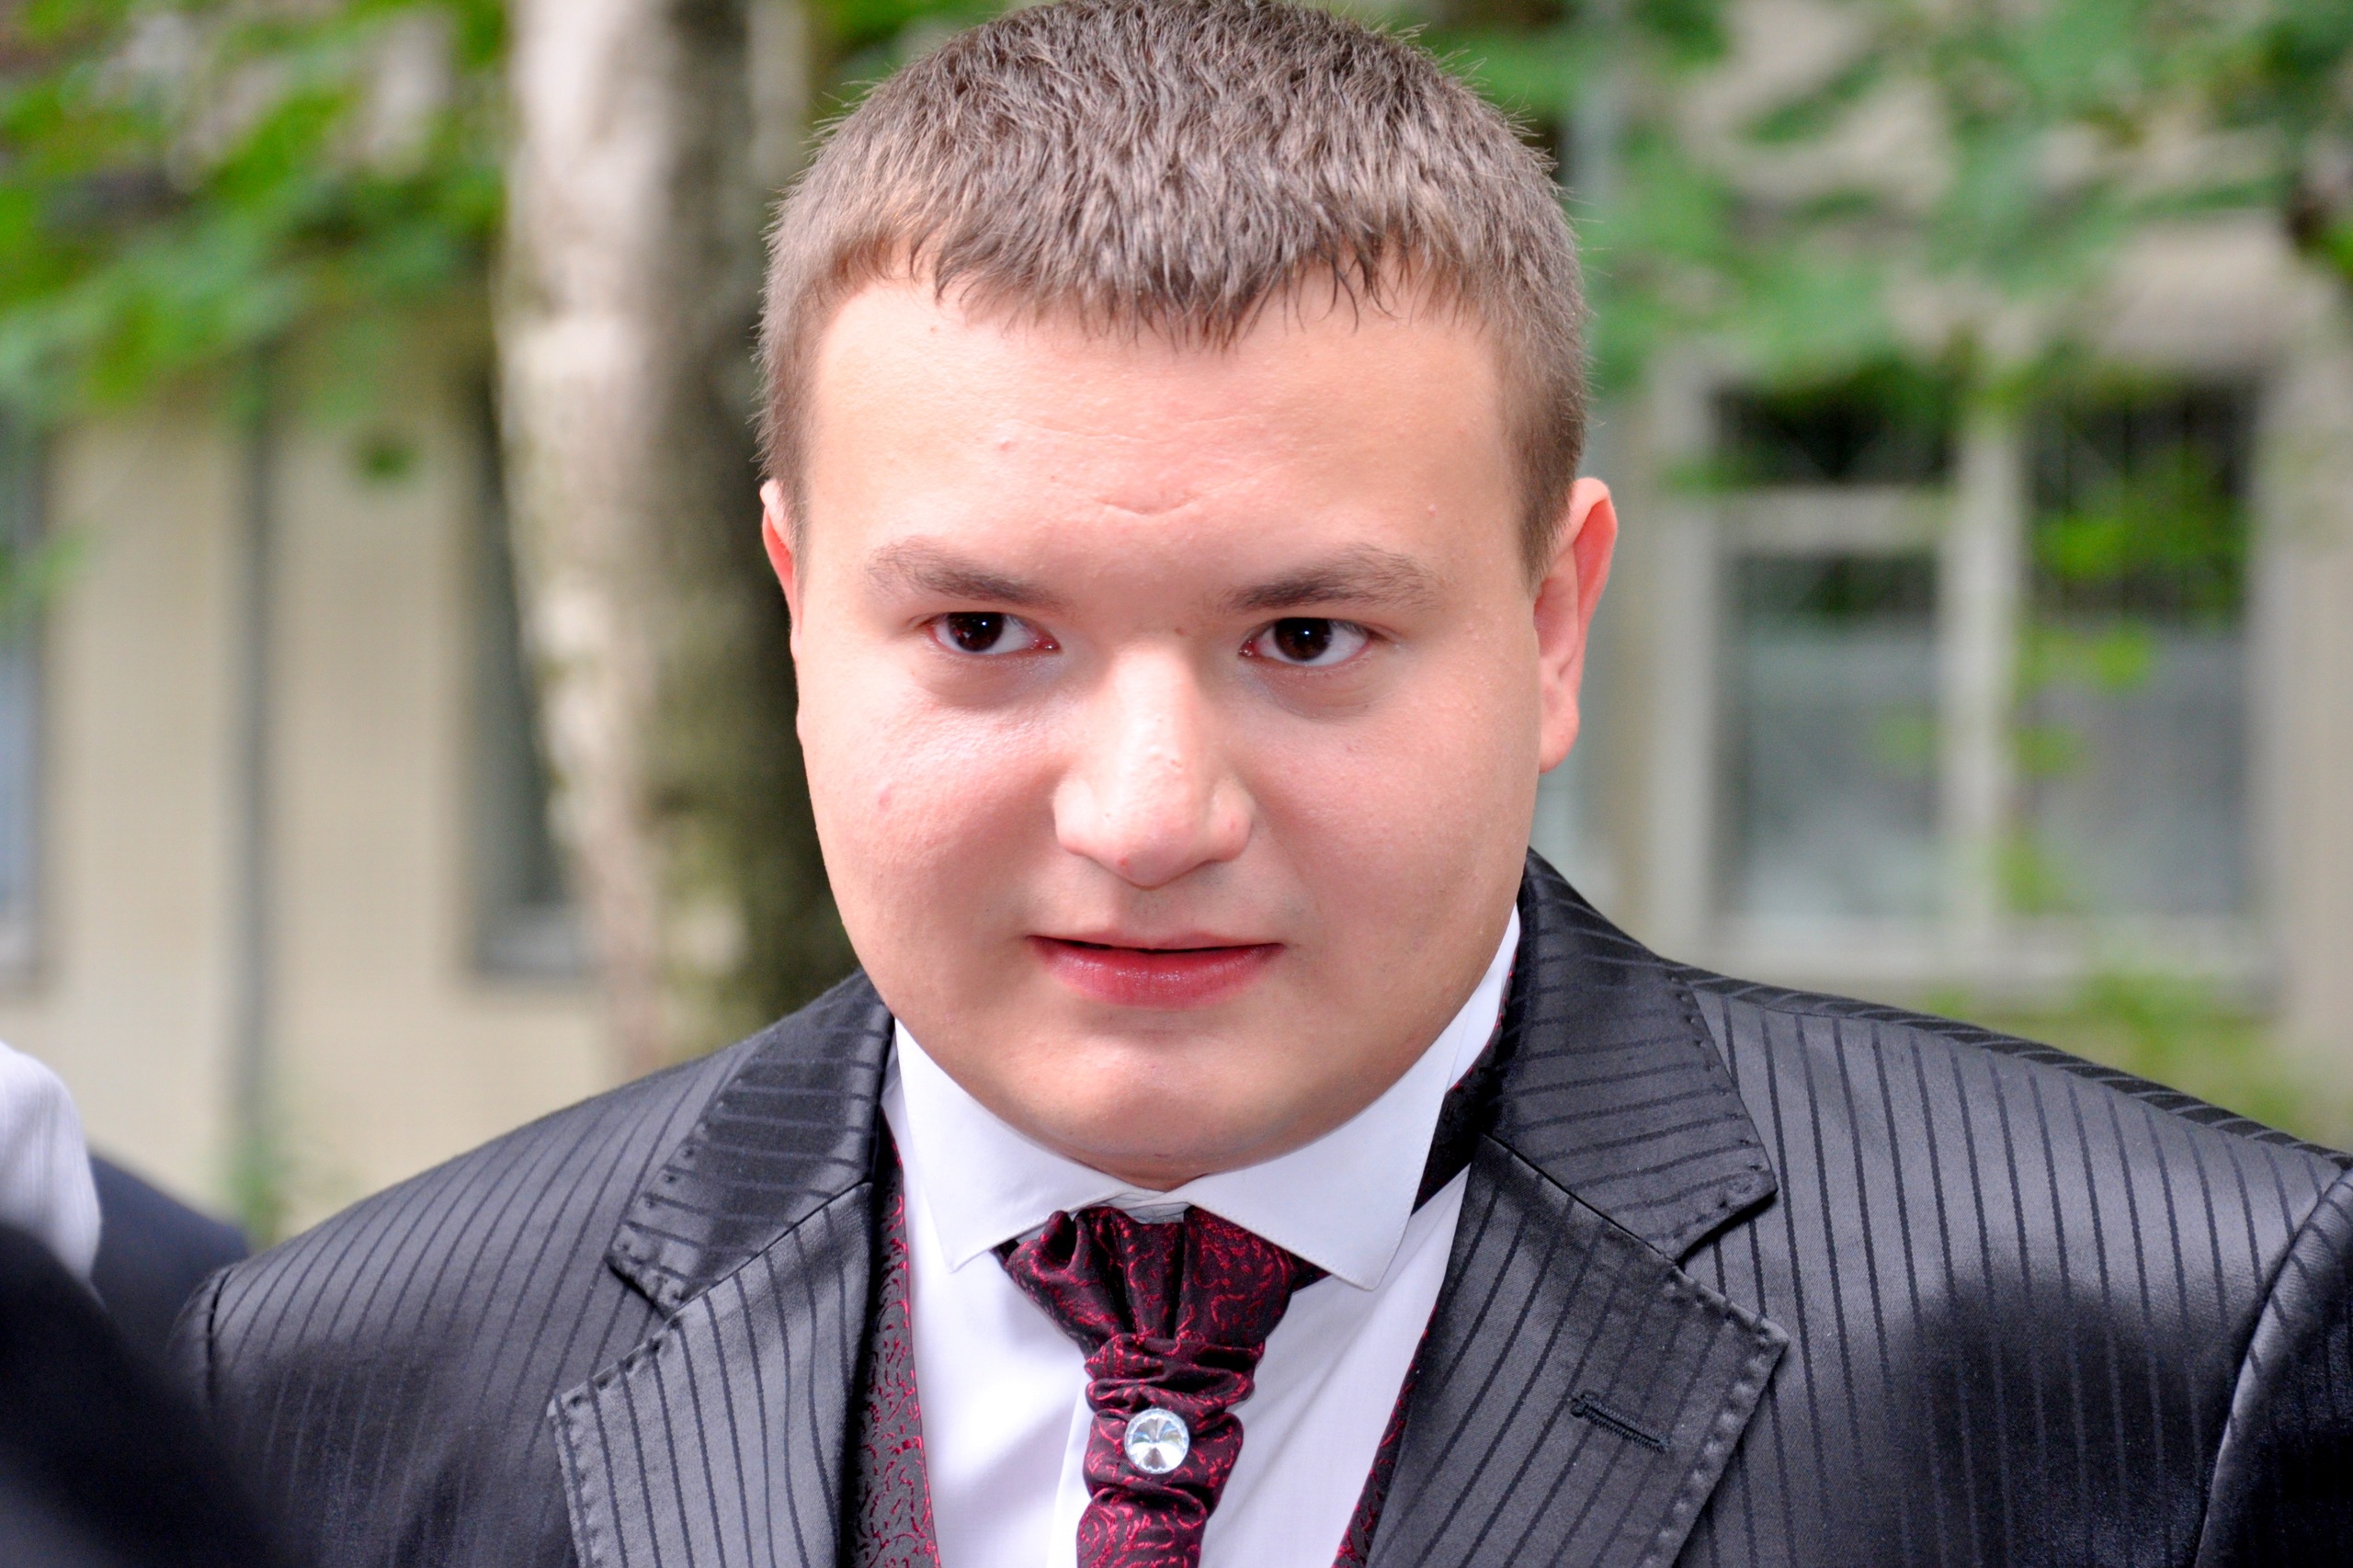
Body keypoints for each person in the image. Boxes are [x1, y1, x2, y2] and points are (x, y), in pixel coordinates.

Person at [172, 3, 2353, 1564]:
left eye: (1303, 638)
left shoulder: (2169, 1352)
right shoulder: (330, 1392)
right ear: (795, 615)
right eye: (983, 632)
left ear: (1552, 624)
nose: (1145, 817)